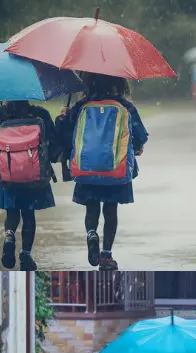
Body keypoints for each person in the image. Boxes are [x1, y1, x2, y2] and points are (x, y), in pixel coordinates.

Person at [56, 73, 148, 271]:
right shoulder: (125, 107)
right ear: (119, 82)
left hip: (86, 167)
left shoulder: (81, 107)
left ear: (87, 82)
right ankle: (106, 255)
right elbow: (140, 135)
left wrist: (64, 117)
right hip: (115, 168)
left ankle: (91, 233)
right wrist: (137, 146)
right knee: (111, 210)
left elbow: (65, 137)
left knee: (91, 208)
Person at [0, 101, 60, 271]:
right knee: (28, 213)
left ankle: (9, 236)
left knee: (12, 211)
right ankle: (26, 255)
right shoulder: (40, 115)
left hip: (5, 173)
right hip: (33, 173)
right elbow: (53, 145)